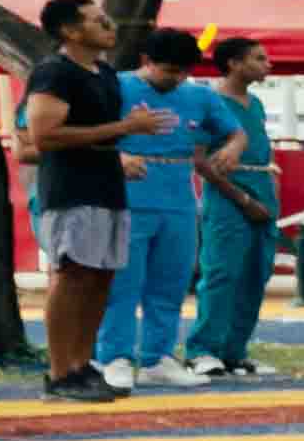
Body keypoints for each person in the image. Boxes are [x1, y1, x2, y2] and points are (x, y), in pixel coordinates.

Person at [16, 0, 135, 398]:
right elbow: (43, 137)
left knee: (100, 278)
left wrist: (124, 139)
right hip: (71, 190)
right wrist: (122, 127)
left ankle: (83, 367)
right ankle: (60, 373)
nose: (109, 26)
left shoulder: (104, 73)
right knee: (72, 277)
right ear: (69, 30)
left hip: (107, 187)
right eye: (98, 20)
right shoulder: (54, 72)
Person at [101, 28, 213, 385]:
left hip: (179, 200)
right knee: (123, 282)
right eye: (169, 71)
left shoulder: (197, 95)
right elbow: (88, 134)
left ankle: (157, 359)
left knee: (170, 282)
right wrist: (118, 156)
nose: (177, 79)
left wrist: (232, 147)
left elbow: (232, 131)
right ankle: (114, 357)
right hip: (128, 198)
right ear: (146, 61)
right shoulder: (115, 87)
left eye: (184, 72)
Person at [180, 37, 282, 378]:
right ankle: (202, 350)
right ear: (234, 64)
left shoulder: (256, 104)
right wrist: (243, 199)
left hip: (263, 191)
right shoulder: (209, 102)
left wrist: (266, 196)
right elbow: (200, 160)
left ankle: (235, 351)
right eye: (259, 58)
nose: (268, 64)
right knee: (222, 273)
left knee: (256, 273)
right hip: (228, 197)